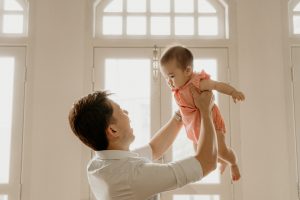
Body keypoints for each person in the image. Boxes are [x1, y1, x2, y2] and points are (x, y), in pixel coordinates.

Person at [68, 87, 217, 200]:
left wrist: (182, 112)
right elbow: (207, 162)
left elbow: (154, 149)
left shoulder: (99, 164)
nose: (126, 112)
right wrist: (205, 111)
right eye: (120, 111)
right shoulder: (130, 177)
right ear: (113, 130)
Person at [160, 45, 245, 181]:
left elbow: (217, 85)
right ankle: (221, 160)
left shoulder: (196, 83)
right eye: (165, 78)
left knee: (222, 151)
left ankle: (233, 163)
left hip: (211, 122)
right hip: (195, 127)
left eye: (171, 76)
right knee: (202, 155)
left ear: (187, 70)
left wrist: (233, 92)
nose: (169, 82)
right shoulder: (178, 88)